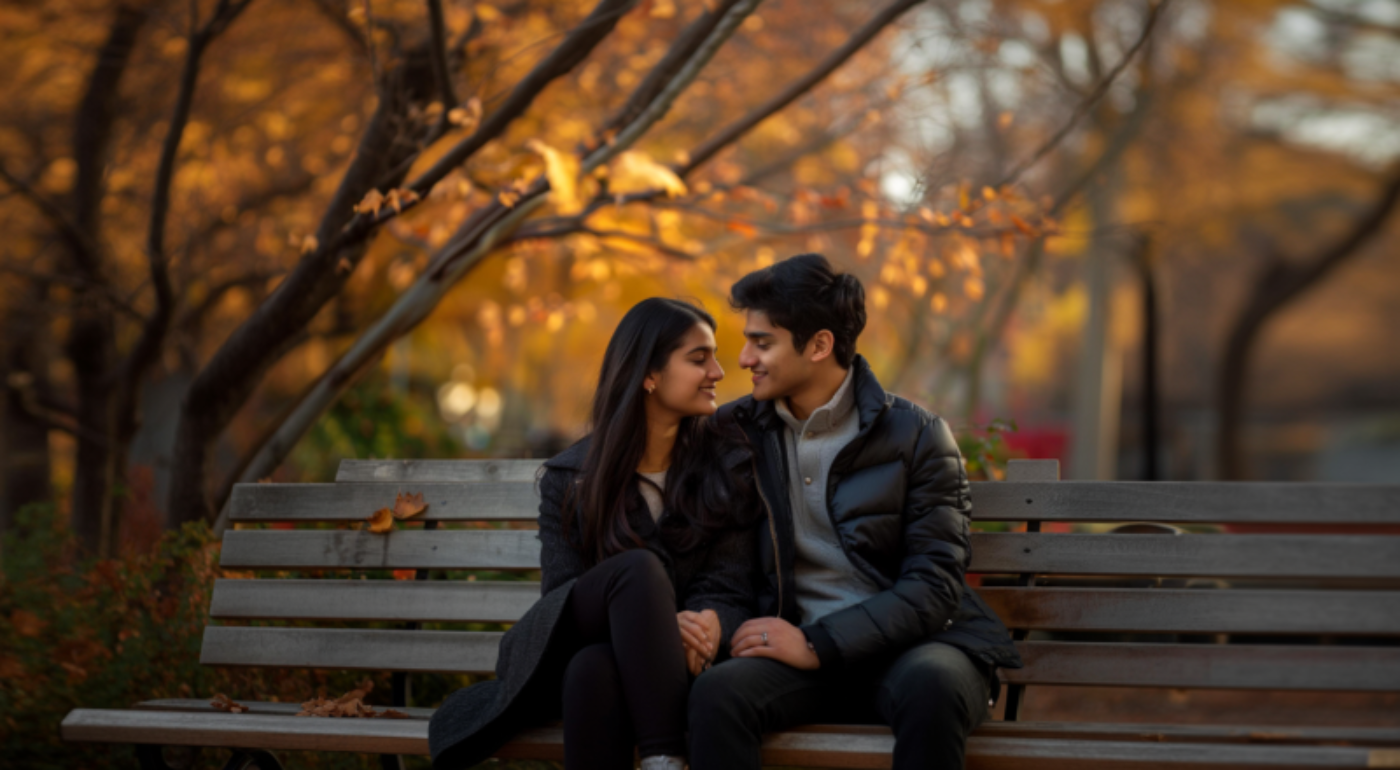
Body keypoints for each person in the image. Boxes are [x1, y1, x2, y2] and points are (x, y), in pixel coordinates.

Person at [689, 254, 1023, 770]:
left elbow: (934, 585)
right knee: (717, 694)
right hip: (793, 652)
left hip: (915, 648)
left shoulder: (917, 435)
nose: (743, 358)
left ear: (820, 345)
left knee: (933, 685)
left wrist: (818, 643)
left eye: (763, 342)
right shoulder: (736, 433)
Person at [429, 298, 763, 770]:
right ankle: (664, 759)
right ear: (649, 373)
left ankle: (660, 757)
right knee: (635, 574)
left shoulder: (726, 467)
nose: (718, 371)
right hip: (581, 638)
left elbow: (732, 584)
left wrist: (711, 623)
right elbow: (563, 595)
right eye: (698, 358)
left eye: (713, 356)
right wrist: (653, 623)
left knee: (592, 672)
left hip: (684, 666)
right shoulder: (571, 478)